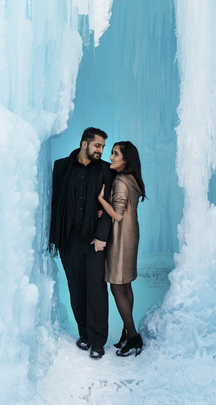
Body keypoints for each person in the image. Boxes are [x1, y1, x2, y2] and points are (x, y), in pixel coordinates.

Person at [48, 127, 116, 359]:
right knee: (76, 287)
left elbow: (109, 208)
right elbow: (56, 201)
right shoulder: (61, 167)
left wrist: (101, 236)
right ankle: (85, 334)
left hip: (94, 239)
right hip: (69, 238)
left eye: (103, 147)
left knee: (96, 288)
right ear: (84, 144)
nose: (101, 150)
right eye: (98, 145)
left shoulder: (107, 171)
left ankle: (98, 340)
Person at [98, 141, 146, 357]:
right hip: (131, 234)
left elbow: (117, 214)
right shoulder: (133, 180)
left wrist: (101, 201)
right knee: (125, 285)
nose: (110, 157)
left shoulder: (119, 180)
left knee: (117, 287)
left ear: (126, 160)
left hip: (120, 237)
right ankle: (128, 332)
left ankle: (134, 337)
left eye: (115, 154)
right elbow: (124, 209)